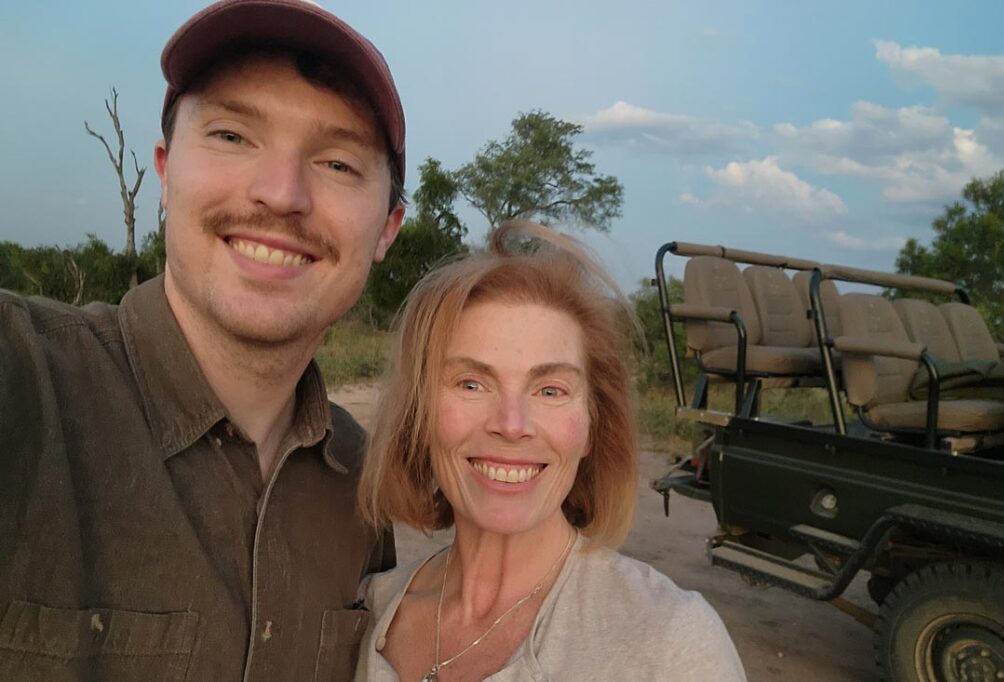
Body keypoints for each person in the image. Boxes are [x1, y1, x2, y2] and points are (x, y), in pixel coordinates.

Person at [0, 1, 406, 679]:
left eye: (337, 164)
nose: (280, 194)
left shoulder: (365, 489)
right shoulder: (26, 383)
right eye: (231, 135)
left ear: (388, 229)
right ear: (163, 172)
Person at [357, 221, 746, 681]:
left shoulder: (670, 641)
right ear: (418, 416)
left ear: (591, 430)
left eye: (550, 390)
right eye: (471, 383)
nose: (511, 424)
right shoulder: (371, 610)